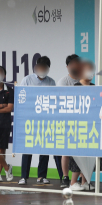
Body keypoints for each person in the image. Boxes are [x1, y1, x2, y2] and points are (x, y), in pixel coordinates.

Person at [18, 56, 63, 185]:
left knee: (44, 149)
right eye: (40, 67)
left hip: (46, 120)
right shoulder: (27, 80)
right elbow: (21, 98)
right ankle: (23, 176)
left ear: (48, 69)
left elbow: (54, 100)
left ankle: (41, 176)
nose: (42, 70)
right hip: (30, 119)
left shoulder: (51, 82)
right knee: (28, 148)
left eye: (45, 68)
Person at [70, 61, 99, 191]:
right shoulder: (75, 87)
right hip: (79, 126)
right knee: (79, 155)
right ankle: (72, 183)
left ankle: (85, 181)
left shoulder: (95, 87)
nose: (90, 73)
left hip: (92, 126)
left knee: (90, 155)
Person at [57, 54, 82, 187]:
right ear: (67, 67)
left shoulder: (84, 79)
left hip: (82, 121)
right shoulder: (63, 82)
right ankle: (66, 177)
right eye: (71, 64)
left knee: (81, 150)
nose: (74, 66)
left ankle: (83, 180)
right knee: (66, 151)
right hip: (66, 120)